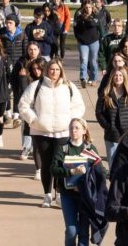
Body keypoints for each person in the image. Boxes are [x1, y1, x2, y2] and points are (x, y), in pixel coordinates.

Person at [19, 59, 86, 208]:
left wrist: (70, 120)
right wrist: (34, 120)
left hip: (63, 133)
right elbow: (23, 105)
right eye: (51, 69)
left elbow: (79, 106)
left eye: (57, 70)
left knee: (61, 164)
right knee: (47, 164)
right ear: (47, 70)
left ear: (61, 71)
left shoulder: (69, 87)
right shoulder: (36, 86)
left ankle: (60, 194)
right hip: (41, 132)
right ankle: (47, 195)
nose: (54, 72)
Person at [52, 117, 107, 246]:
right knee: (72, 231)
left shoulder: (89, 149)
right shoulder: (63, 149)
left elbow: (100, 170)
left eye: (77, 128)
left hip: (85, 196)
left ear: (84, 131)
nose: (73, 130)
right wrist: (71, 172)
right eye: (71, 128)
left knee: (83, 232)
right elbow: (53, 169)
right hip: (67, 195)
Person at [96, 68, 128, 159]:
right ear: (112, 77)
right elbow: (99, 112)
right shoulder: (105, 93)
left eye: (120, 75)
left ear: (124, 77)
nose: (118, 77)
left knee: (127, 163)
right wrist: (107, 125)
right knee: (112, 163)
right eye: (115, 75)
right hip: (112, 135)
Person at [14, 45, 43, 163]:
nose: (32, 51)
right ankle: (26, 147)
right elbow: (15, 80)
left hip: (41, 101)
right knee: (27, 125)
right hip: (27, 100)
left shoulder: (43, 62)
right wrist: (21, 79)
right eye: (30, 49)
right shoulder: (22, 63)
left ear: (39, 50)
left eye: (35, 49)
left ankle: (37, 148)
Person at [74, 3, 101, 88]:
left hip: (93, 41)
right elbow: (75, 28)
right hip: (83, 42)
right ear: (84, 8)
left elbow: (93, 24)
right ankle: (83, 78)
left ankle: (94, 78)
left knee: (93, 61)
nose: (88, 9)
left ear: (92, 8)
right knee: (84, 59)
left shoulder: (95, 16)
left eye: (90, 7)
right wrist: (78, 38)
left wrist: (87, 19)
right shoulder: (79, 17)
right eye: (86, 7)